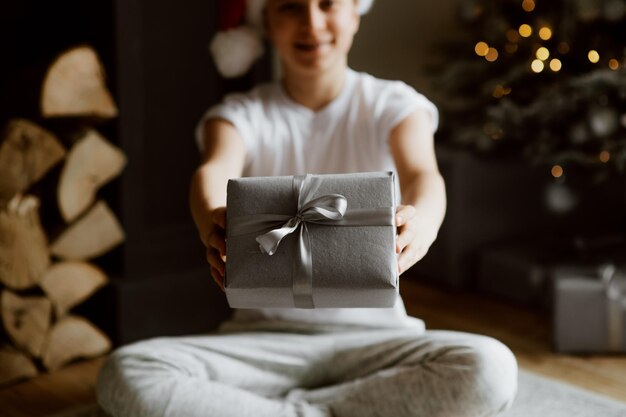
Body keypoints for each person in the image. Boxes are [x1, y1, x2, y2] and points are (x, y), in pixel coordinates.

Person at [96, 1, 518, 416]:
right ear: (265, 22)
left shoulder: (394, 104)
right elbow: (212, 171)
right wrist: (211, 216)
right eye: (290, 7)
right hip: (261, 345)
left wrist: (422, 221)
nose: (312, 23)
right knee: (128, 372)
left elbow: (424, 176)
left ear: (355, 12)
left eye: (328, 4)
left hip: (377, 342)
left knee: (490, 367)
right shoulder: (238, 115)